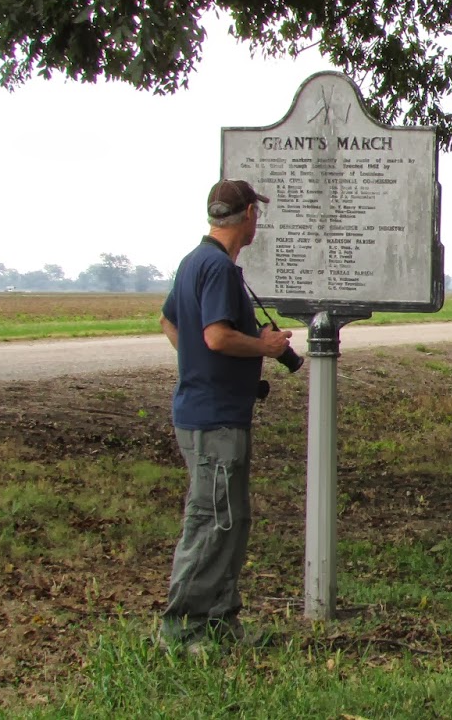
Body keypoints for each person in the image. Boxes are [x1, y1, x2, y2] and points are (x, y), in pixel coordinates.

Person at [157, 179, 294, 652]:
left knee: (229, 520)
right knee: (212, 520)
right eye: (257, 212)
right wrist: (267, 346)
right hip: (214, 419)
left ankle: (220, 623)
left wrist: (199, 367)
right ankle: (183, 629)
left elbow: (171, 322)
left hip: (205, 409)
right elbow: (216, 336)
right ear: (249, 216)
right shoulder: (216, 267)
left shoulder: (195, 261)